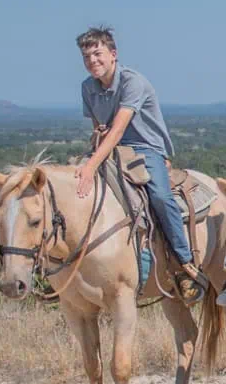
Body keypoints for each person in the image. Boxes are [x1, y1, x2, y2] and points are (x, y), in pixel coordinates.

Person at [75, 25, 204, 303]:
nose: (92, 61)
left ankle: (185, 263)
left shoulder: (133, 82)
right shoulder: (88, 88)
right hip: (110, 148)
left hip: (144, 148)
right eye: (87, 57)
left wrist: (90, 166)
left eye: (97, 54)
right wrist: (90, 153)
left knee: (159, 195)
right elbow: (101, 129)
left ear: (113, 54)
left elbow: (120, 129)